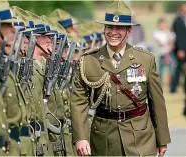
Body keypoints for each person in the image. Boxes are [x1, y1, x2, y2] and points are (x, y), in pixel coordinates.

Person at [71, 1, 171, 156]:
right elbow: (78, 102)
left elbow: (157, 101)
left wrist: (162, 138)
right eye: (109, 27)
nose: (113, 32)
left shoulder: (145, 59)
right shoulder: (89, 61)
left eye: (119, 28)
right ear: (104, 29)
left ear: (129, 30)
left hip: (141, 138)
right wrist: (81, 138)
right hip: (104, 141)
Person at [171, 3, 186, 116]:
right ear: (181, 8)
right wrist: (180, 49)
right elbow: (179, 36)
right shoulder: (178, 20)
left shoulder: (183, 19)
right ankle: (173, 88)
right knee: (178, 69)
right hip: (181, 50)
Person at [153, 17, 175, 84]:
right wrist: (166, 43)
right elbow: (159, 42)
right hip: (161, 54)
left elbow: (172, 40)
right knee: (160, 70)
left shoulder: (169, 32)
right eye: (160, 24)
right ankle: (160, 83)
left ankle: (172, 83)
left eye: (163, 24)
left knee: (171, 69)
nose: (162, 26)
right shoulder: (156, 33)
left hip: (169, 53)